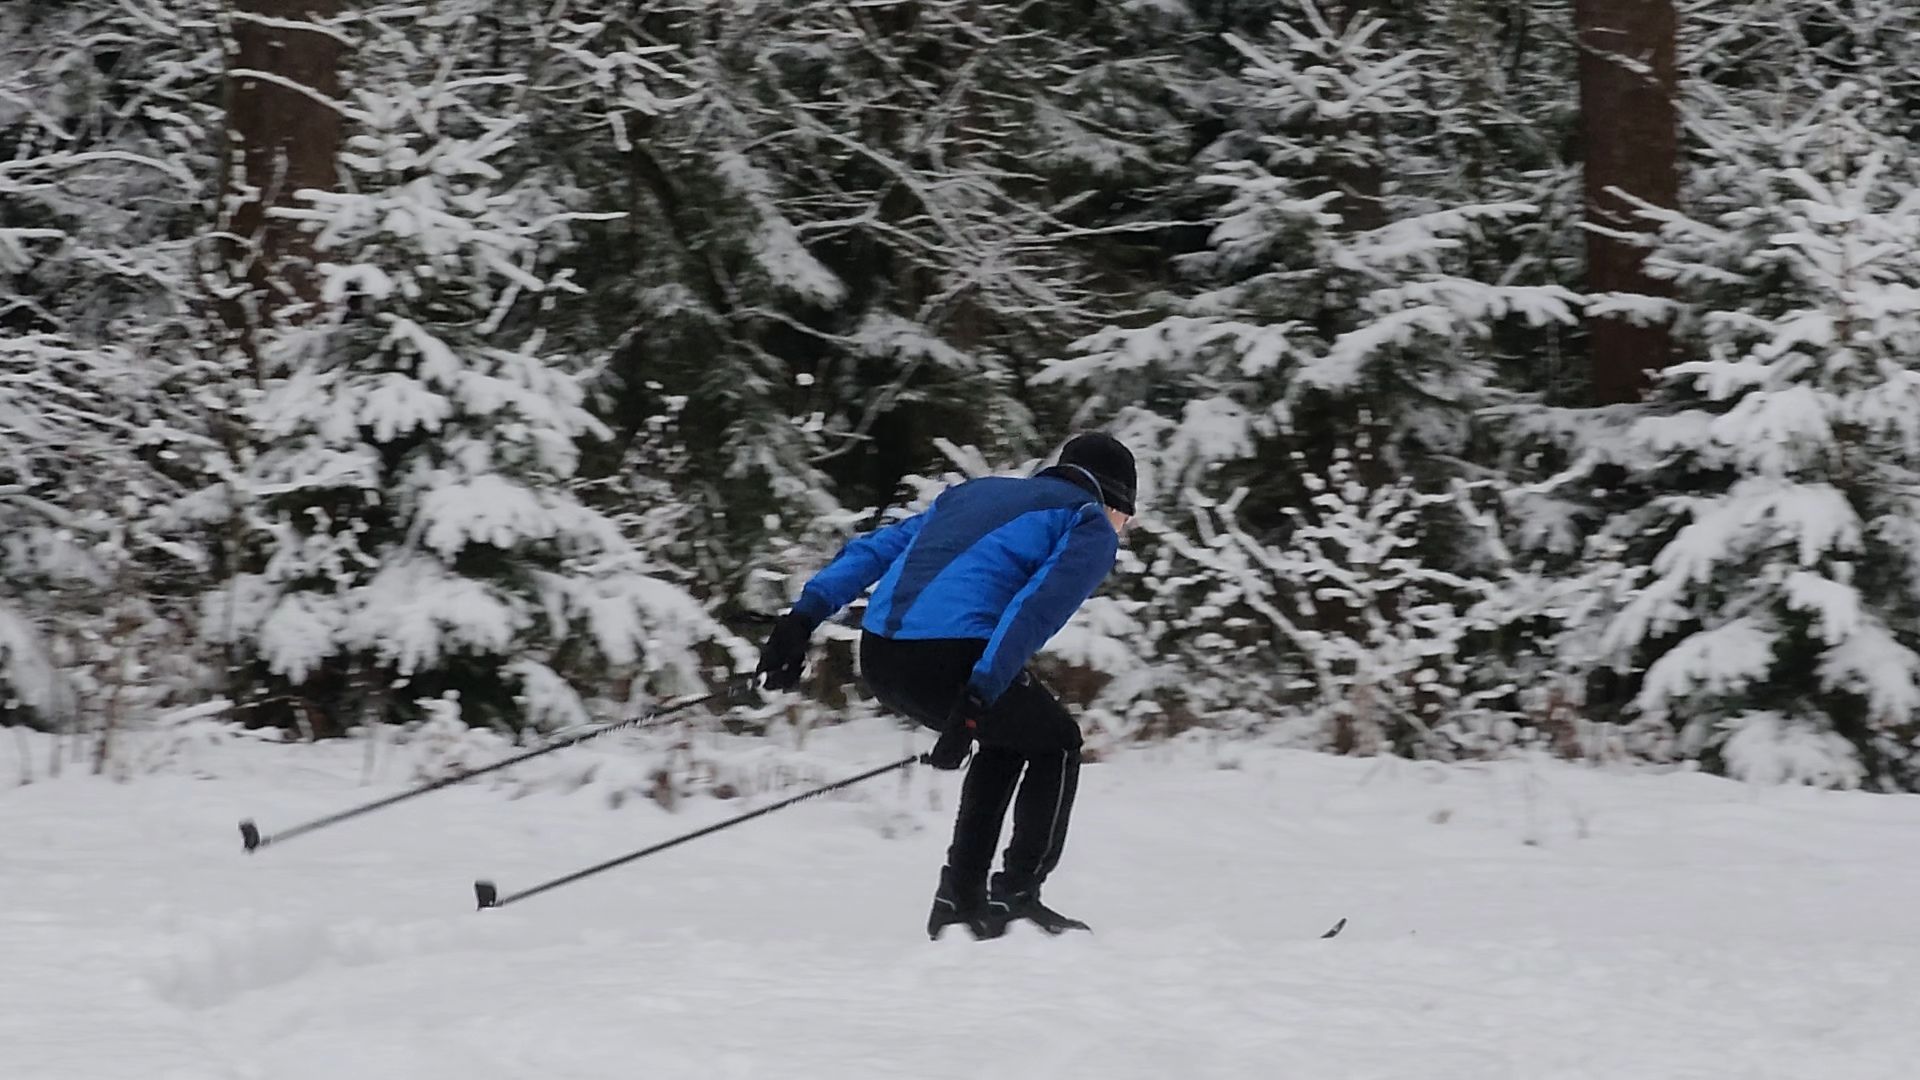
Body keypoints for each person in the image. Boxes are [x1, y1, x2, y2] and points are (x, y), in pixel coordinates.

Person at [755, 433, 1136, 940]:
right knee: (1058, 742)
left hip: (881, 654)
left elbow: (876, 550)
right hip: (948, 656)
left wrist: (800, 621)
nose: (1123, 529)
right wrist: (978, 694)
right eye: (1126, 517)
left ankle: (960, 899)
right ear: (1112, 501)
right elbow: (1032, 612)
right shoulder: (1088, 523)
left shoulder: (973, 495)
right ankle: (1018, 897)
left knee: (1010, 739)